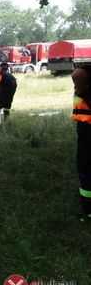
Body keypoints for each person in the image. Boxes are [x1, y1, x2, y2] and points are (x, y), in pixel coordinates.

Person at [71, 65, 91, 221]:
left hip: (88, 128)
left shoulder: (84, 71)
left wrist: (81, 89)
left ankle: (88, 210)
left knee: (85, 167)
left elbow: (78, 74)